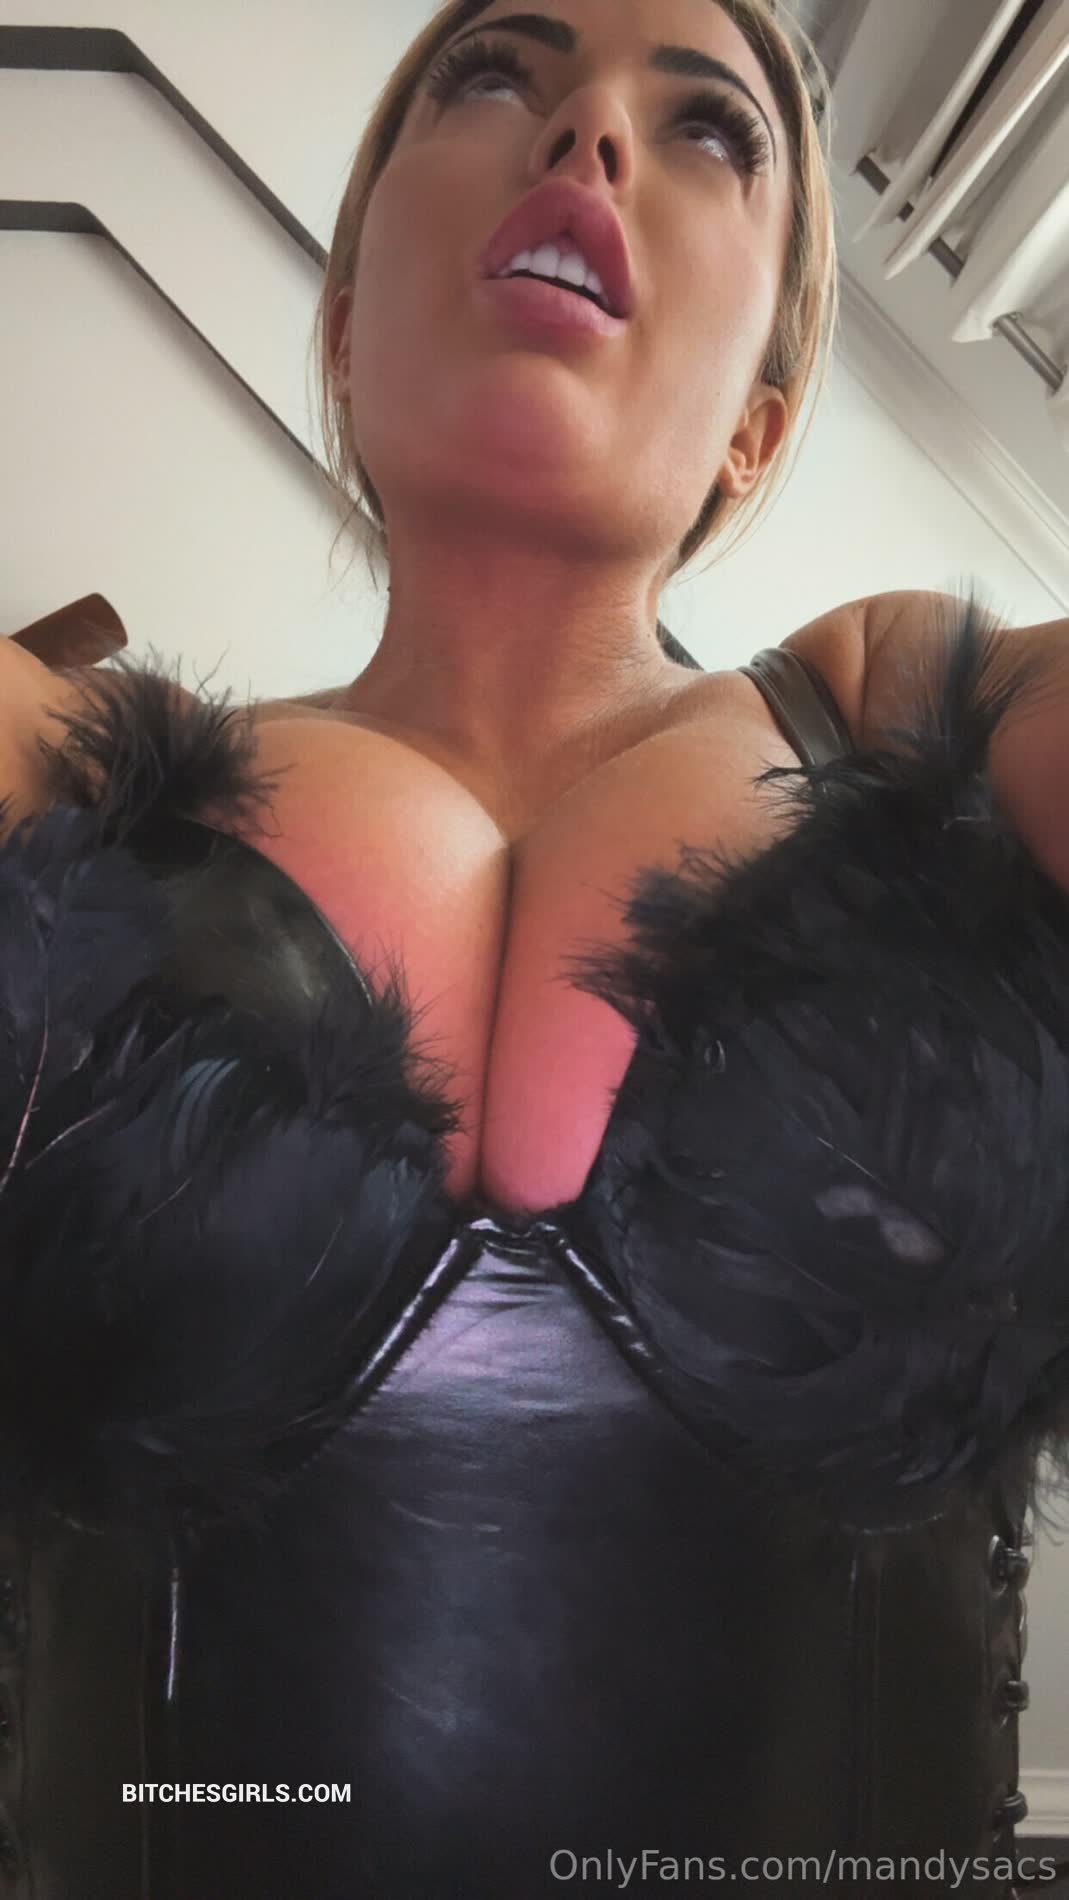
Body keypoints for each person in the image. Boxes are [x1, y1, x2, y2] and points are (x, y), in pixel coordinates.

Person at [2, 2, 1069, 1894]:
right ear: (345, 326)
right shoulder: (75, 772)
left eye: (709, 129)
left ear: (755, 423)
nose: (586, 133)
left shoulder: (923, 715)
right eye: (496, 73)